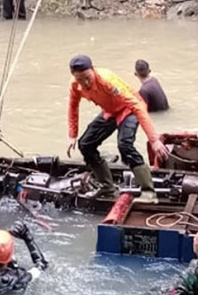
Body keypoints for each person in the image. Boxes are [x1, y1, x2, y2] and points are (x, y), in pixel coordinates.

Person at [66, 55, 170, 202]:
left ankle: (148, 192)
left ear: (93, 70)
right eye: (80, 79)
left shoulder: (107, 80)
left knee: (124, 145)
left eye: (88, 77)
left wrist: (154, 140)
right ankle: (107, 187)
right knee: (85, 144)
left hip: (129, 109)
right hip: (110, 111)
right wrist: (72, 134)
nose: (85, 83)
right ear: (74, 76)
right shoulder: (75, 85)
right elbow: (73, 107)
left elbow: (136, 105)